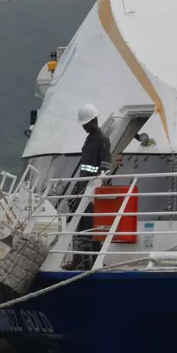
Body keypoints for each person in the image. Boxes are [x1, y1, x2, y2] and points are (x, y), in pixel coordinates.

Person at [67, 104, 111, 269]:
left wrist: (94, 190)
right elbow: (84, 168)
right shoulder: (89, 139)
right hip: (83, 188)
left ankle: (92, 262)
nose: (84, 127)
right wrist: (77, 188)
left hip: (92, 192)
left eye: (86, 124)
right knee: (78, 223)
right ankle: (79, 259)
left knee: (91, 226)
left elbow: (104, 169)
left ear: (94, 121)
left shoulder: (102, 141)